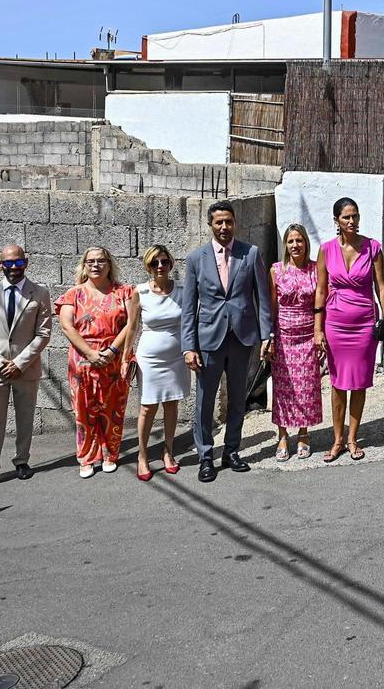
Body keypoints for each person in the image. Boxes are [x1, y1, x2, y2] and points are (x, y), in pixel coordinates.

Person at [182, 200, 273, 483]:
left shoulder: (251, 253)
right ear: (210, 225)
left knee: (237, 400)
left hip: (242, 338)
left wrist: (267, 334)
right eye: (218, 222)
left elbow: (262, 299)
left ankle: (232, 451)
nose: (224, 227)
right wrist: (188, 346)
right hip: (209, 340)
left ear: (235, 223)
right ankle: (206, 456)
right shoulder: (197, 259)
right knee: (204, 402)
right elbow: (189, 306)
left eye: (228, 222)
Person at [314, 198, 384, 462]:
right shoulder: (326, 250)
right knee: (338, 383)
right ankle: (337, 440)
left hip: (363, 325)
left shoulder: (373, 248)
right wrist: (318, 329)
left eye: (355, 216)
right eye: (346, 217)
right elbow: (321, 290)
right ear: (336, 220)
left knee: (358, 383)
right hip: (335, 324)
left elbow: (381, 287)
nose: (352, 221)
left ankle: (352, 437)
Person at [0, 244, 52, 492]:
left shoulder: (39, 293)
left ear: (26, 263)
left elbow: (43, 333)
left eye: (18, 263)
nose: (13, 268)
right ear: (0, 264)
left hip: (25, 369)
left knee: (25, 418)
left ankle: (22, 461)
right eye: (8, 263)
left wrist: (19, 363)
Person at [56, 246, 136, 478]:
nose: (96, 265)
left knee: (113, 409)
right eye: (90, 261)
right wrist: (90, 353)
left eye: (101, 261)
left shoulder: (124, 292)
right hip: (83, 362)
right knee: (84, 410)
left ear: (109, 264)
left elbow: (132, 324)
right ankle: (87, 458)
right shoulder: (74, 294)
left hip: (115, 358)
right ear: (84, 265)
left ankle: (110, 454)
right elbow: (66, 326)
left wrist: (112, 350)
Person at [132, 245, 189, 481]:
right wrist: (126, 354)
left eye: (164, 262)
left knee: (171, 405)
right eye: (154, 263)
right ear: (148, 265)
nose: (160, 267)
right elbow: (132, 327)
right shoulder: (140, 292)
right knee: (147, 408)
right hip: (149, 359)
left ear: (171, 264)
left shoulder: (183, 291)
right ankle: (142, 456)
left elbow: (189, 323)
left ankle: (168, 451)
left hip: (176, 357)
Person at [269, 224, 322, 461]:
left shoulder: (314, 270)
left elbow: (321, 303)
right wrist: (269, 338)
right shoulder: (276, 270)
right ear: (285, 245)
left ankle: (303, 433)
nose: (295, 245)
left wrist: (321, 334)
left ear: (306, 243)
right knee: (284, 388)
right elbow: (271, 306)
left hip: (308, 334)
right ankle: (282, 435)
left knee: (307, 387)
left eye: (299, 240)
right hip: (283, 336)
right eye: (290, 241)